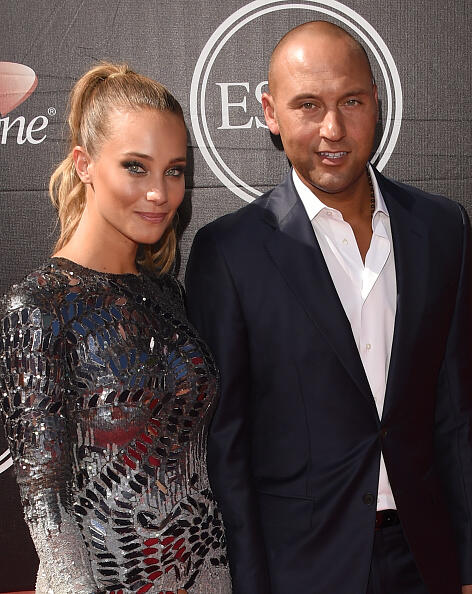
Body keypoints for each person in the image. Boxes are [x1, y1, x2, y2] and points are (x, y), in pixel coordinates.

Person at [185, 21, 472, 594]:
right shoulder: (229, 253)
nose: (333, 128)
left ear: (377, 102)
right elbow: (227, 445)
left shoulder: (444, 229)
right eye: (308, 105)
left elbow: (456, 413)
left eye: (351, 101)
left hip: (429, 558)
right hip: (302, 569)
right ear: (270, 112)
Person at [0, 62, 230, 594]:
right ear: (84, 164)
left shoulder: (168, 294)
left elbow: (197, 474)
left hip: (207, 576)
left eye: (174, 171)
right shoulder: (36, 308)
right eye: (136, 166)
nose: (159, 193)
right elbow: (47, 512)